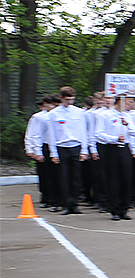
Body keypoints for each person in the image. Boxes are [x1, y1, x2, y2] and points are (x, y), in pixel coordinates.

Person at [95, 96, 135, 220]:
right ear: (120, 102)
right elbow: (99, 134)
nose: (130, 105)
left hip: (124, 148)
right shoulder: (105, 115)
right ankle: (114, 208)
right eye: (128, 102)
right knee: (113, 179)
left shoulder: (128, 116)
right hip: (111, 148)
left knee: (126, 178)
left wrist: (127, 124)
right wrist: (114, 138)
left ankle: (124, 208)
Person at [47, 86, 90, 215]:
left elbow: (83, 132)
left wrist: (84, 150)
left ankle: (74, 204)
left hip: (76, 146)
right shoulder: (53, 114)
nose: (70, 102)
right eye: (67, 99)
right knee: (63, 177)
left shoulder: (79, 112)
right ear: (61, 98)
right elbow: (51, 135)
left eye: (72, 99)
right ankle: (66, 204)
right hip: (62, 147)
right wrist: (53, 153)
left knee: (76, 177)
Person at [25, 95, 60, 209]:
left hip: (59, 145)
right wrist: (32, 149)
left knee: (57, 174)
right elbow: (33, 134)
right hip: (45, 146)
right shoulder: (39, 117)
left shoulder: (59, 116)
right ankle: (46, 197)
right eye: (50, 104)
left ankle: (57, 197)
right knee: (45, 174)